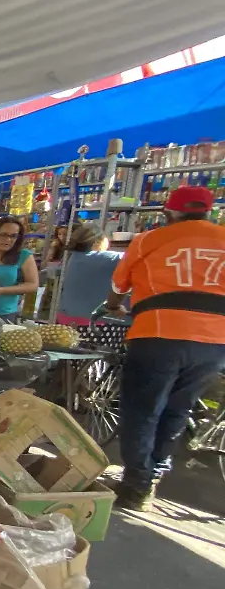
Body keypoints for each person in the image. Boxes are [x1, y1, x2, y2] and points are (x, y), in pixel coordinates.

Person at [104, 185, 225, 511]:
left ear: (168, 212)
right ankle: (155, 472)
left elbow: (118, 286)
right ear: (208, 212)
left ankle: (135, 484)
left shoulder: (149, 240)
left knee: (143, 410)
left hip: (157, 334)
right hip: (214, 342)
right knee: (177, 409)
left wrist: (114, 305)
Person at [54, 224, 122, 326]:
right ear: (98, 241)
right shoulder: (109, 258)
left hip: (65, 318)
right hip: (95, 323)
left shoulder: (73, 257)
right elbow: (134, 257)